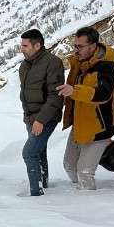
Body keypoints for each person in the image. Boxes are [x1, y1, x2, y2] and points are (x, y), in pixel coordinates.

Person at [56, 26, 114, 190]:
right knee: (69, 165)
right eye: (75, 45)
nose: (76, 50)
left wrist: (73, 91)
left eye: (80, 46)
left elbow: (104, 94)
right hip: (79, 124)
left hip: (98, 128)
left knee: (84, 172)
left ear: (93, 45)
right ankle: (80, 194)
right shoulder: (79, 62)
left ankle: (88, 205)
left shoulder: (107, 67)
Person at [18, 29, 65, 196]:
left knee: (29, 153)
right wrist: (28, 118)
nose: (21, 48)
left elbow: (56, 95)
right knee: (39, 151)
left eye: (25, 45)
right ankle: (43, 183)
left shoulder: (53, 62)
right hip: (31, 118)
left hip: (46, 118)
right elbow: (26, 93)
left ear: (37, 45)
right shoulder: (24, 65)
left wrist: (41, 120)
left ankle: (36, 193)